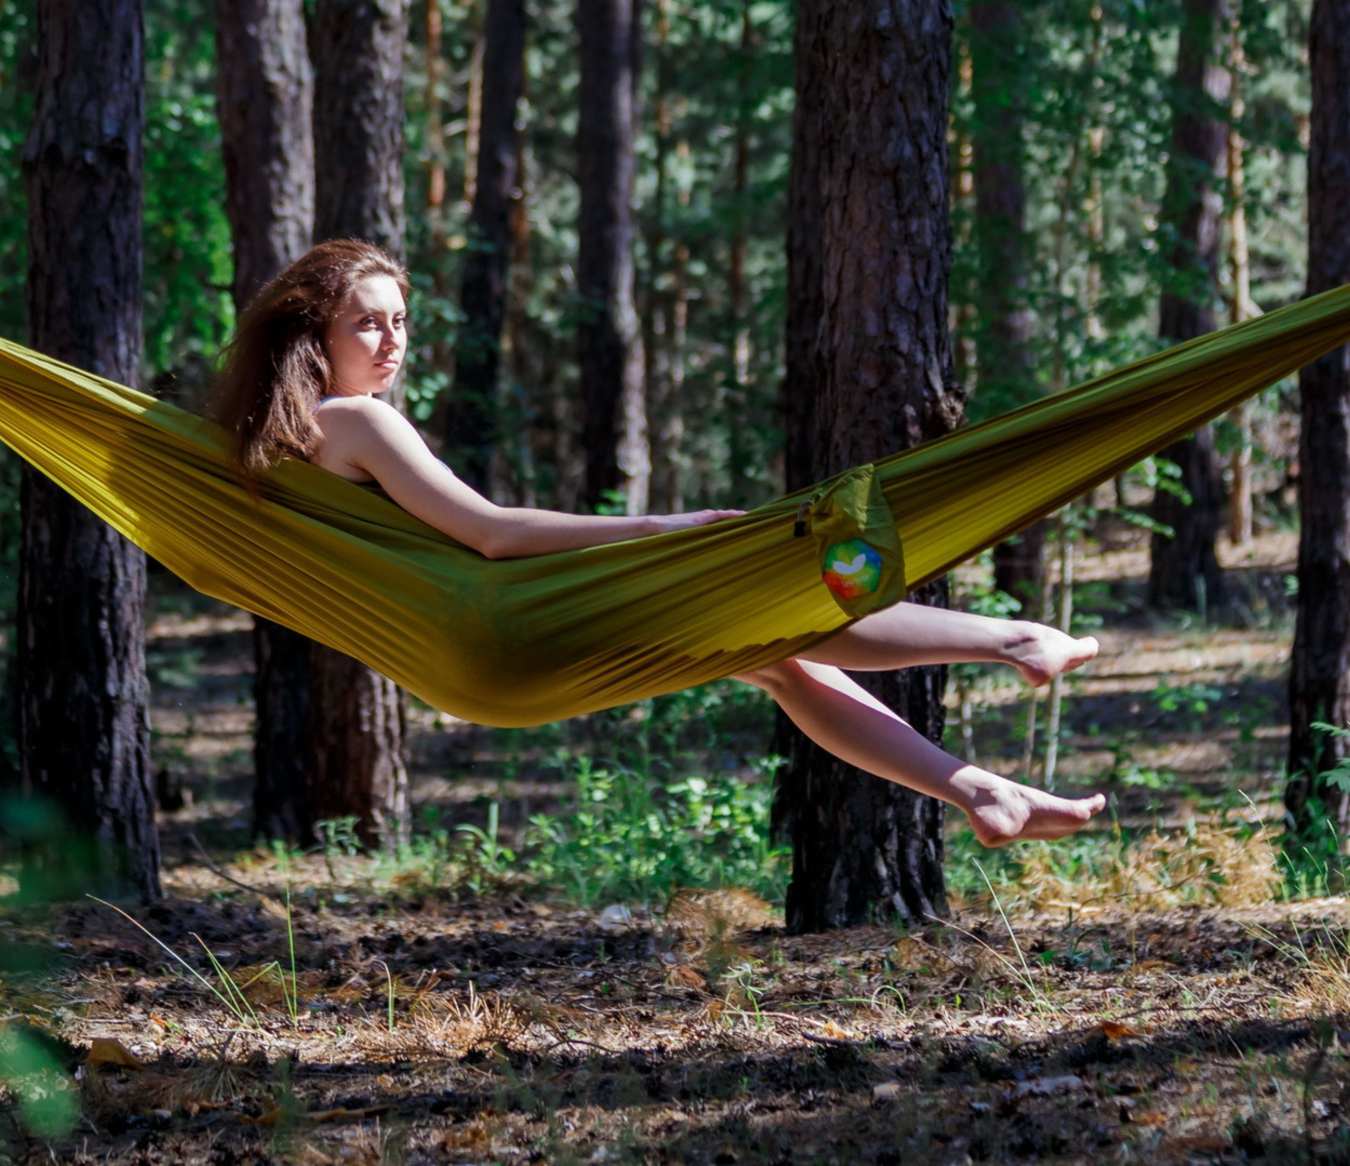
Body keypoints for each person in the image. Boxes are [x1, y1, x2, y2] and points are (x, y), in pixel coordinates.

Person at [212, 238, 1106, 848]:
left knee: (773, 656)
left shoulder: (277, 444)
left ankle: (979, 790)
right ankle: (1012, 639)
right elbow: (490, 533)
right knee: (768, 596)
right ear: (312, 330)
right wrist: (659, 529)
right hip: (501, 624)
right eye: (367, 322)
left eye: (401, 321)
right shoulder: (359, 420)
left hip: (465, 659)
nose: (392, 342)